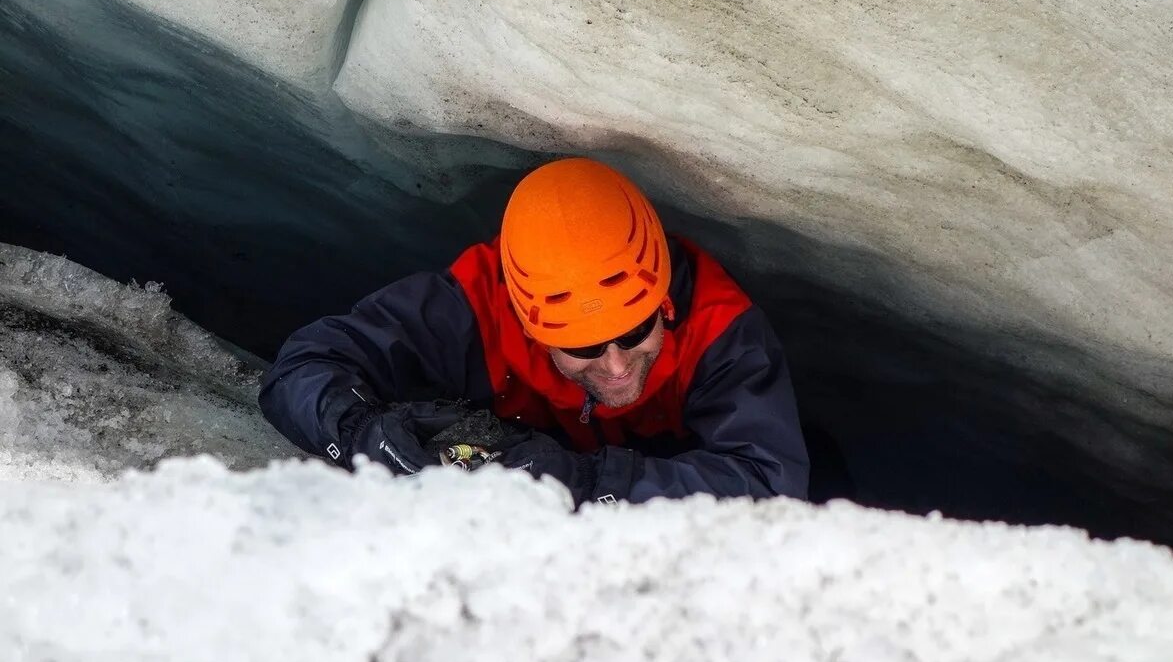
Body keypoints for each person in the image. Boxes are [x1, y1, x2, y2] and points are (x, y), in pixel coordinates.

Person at [259, 158, 810, 506]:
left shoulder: (721, 332)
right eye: (583, 346)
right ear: (530, 326)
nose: (616, 366)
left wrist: (586, 482)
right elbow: (303, 368)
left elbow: (770, 483)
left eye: (636, 330)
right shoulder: (471, 308)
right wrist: (361, 430)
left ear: (664, 301)